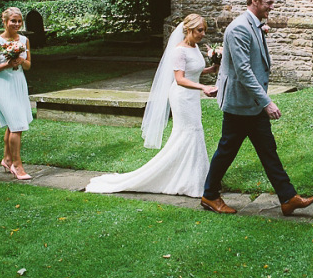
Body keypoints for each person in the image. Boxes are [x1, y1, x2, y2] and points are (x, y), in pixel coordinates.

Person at [202, 0, 313, 215]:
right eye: (268, 3)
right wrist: (267, 101)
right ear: (254, 0)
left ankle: (288, 198)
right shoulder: (239, 28)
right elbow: (244, 71)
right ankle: (209, 195)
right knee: (227, 151)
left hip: (251, 105)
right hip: (240, 104)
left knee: (267, 149)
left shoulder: (255, 25)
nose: (271, 7)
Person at [86, 14, 219, 197]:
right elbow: (179, 79)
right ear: (188, 30)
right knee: (188, 132)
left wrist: (211, 69)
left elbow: (192, 71)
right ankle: (185, 180)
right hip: (182, 97)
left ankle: (194, 178)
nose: (203, 34)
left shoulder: (195, 47)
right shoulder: (179, 50)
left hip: (192, 96)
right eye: (200, 30)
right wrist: (203, 86)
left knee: (194, 132)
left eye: (204, 30)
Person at [0, 7, 33, 180]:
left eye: (19, 21)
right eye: (13, 20)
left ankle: (6, 159)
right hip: (3, 84)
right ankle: (17, 165)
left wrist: (21, 60)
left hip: (18, 82)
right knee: (17, 125)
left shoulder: (24, 40)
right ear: (4, 22)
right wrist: (6, 64)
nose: (17, 24)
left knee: (13, 123)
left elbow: (28, 65)